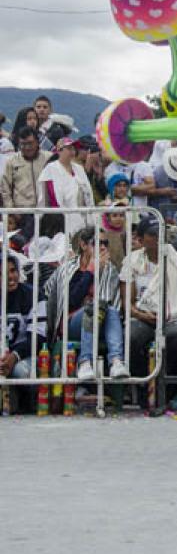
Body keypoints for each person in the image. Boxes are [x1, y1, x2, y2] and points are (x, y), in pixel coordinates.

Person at [44, 227, 129, 380]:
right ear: (83, 245)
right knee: (94, 308)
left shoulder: (110, 270)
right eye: (97, 243)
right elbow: (69, 302)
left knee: (110, 311)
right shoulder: (68, 268)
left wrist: (100, 272)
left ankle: (116, 361)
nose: (102, 247)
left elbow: (107, 303)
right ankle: (84, 361)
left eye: (105, 243)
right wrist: (90, 271)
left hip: (102, 324)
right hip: (72, 325)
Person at [120, 216, 177, 386]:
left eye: (160, 232)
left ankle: (167, 386)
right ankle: (142, 384)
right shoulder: (132, 261)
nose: (158, 237)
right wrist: (144, 316)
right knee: (133, 336)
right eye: (152, 234)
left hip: (172, 315)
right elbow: (127, 304)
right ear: (140, 239)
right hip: (143, 316)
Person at [0, 253, 47, 402]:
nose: (10, 277)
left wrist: (14, 356)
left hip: (25, 355)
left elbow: (38, 336)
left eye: (13, 270)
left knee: (21, 372)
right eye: (3, 273)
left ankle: (24, 401)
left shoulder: (32, 294)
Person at [1, 127, 50, 238]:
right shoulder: (12, 161)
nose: (26, 147)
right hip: (22, 213)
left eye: (30, 143)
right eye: (22, 144)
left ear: (37, 142)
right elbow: (5, 189)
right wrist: (12, 211)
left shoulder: (48, 158)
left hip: (46, 212)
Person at [37, 137, 94, 233]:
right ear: (59, 151)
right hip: (62, 220)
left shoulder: (79, 169)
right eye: (69, 148)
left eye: (73, 148)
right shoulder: (51, 169)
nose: (72, 151)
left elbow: (88, 194)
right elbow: (53, 198)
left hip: (83, 216)